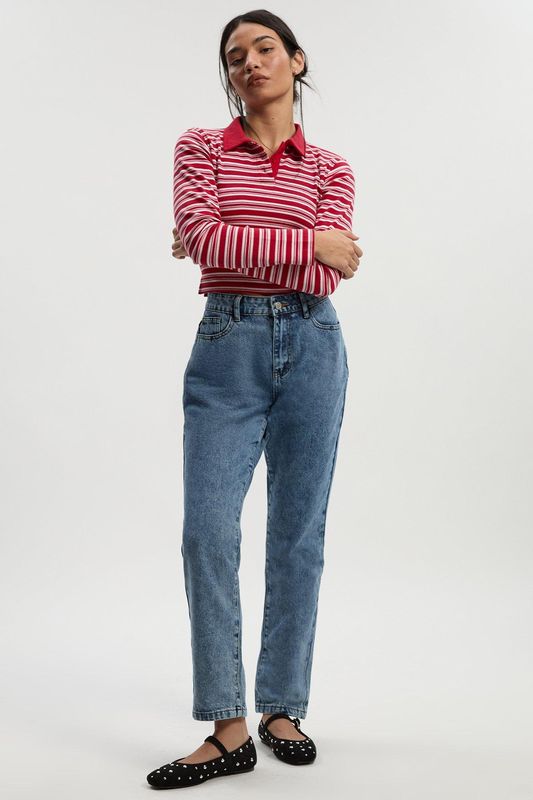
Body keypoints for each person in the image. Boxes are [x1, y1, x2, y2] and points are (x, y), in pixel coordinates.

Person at [147, 9, 363, 789]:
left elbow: (331, 272)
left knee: (298, 536)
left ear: (295, 60)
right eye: (234, 55)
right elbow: (207, 238)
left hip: (314, 344)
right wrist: (304, 241)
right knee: (206, 533)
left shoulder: (330, 167)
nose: (249, 63)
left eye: (264, 47)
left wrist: (242, 239)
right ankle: (227, 728)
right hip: (225, 348)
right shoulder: (199, 148)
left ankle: (281, 708)